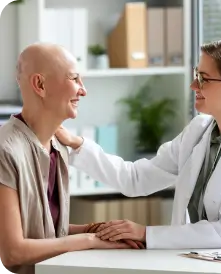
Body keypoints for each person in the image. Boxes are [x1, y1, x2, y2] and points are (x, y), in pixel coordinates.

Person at [56, 37, 221, 250]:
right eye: (197, 75)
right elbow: (136, 179)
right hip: (197, 259)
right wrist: (76, 144)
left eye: (204, 79)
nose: (193, 85)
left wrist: (145, 233)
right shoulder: (199, 130)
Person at [0, 43, 131, 274]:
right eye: (74, 79)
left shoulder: (58, 145)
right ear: (40, 85)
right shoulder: (5, 150)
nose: (83, 90)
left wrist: (95, 230)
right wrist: (88, 240)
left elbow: (44, 231)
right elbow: (12, 252)